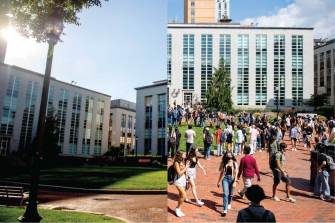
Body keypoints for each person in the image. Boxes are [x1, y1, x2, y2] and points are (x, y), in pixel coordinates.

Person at [217, 151, 238, 217]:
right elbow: (221, 172)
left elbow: (236, 173)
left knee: (231, 194)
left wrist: (235, 181)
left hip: (232, 179)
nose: (229, 158)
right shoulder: (224, 163)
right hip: (225, 179)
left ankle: (229, 203)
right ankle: (225, 210)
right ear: (226, 156)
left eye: (230, 156)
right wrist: (219, 181)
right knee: (226, 194)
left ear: (232, 156)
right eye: (228, 156)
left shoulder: (235, 163)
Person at [173, 151, 190, 217]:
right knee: (184, 195)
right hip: (177, 180)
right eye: (184, 154)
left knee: (181, 195)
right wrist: (186, 167)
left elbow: (185, 171)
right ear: (180, 155)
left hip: (183, 180)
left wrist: (187, 179)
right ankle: (177, 208)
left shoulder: (182, 161)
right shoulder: (176, 163)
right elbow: (179, 173)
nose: (185, 154)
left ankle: (179, 209)